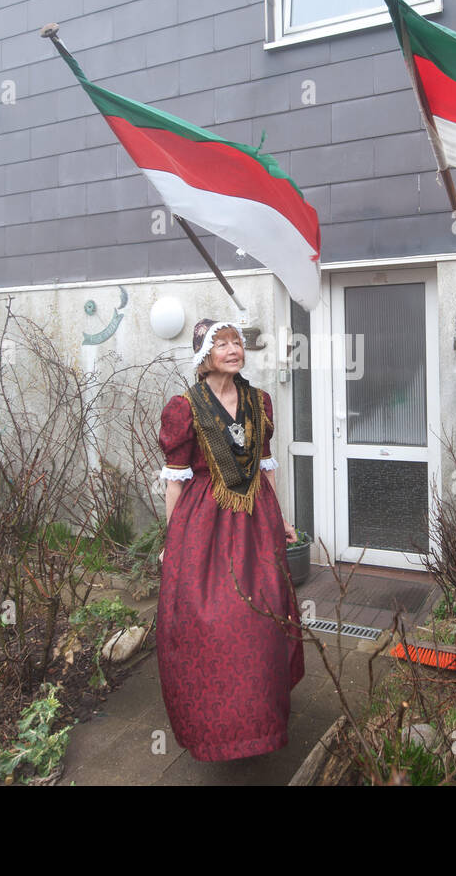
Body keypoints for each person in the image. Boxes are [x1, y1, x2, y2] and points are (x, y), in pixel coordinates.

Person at [156, 318, 305, 761]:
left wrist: (282, 520)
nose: (232, 348)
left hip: (257, 521)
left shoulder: (259, 402)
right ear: (203, 358)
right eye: (221, 343)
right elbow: (176, 482)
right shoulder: (183, 408)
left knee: (262, 617)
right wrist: (173, 540)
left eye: (236, 341)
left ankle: (261, 723)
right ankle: (213, 729)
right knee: (211, 620)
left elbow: (265, 465)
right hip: (203, 525)